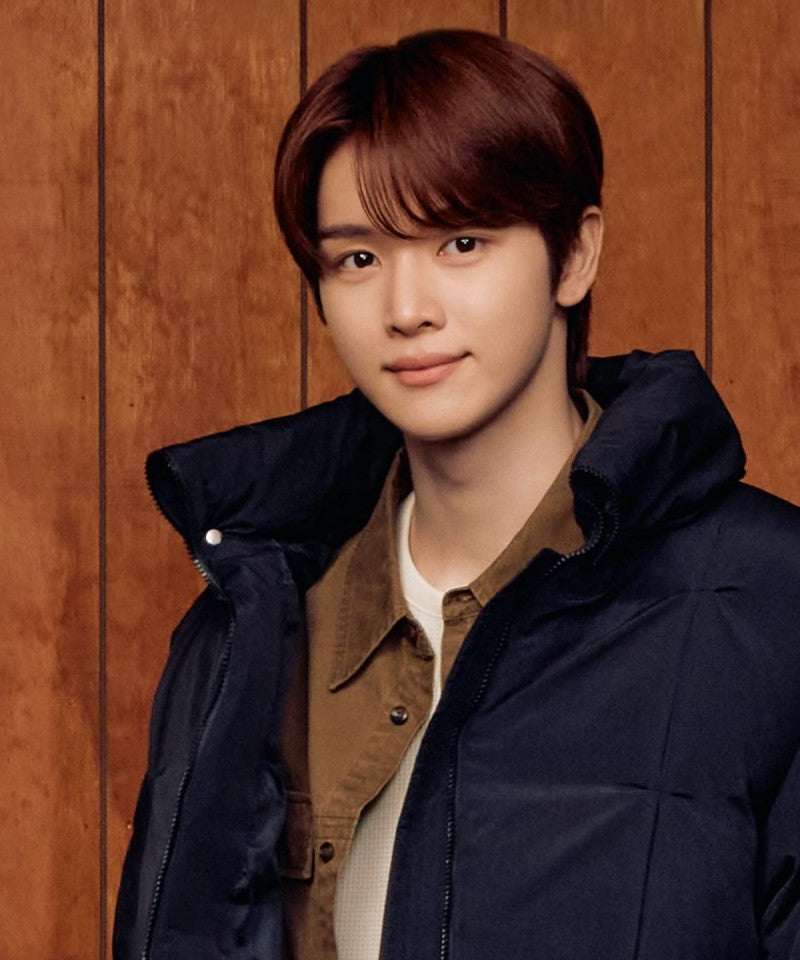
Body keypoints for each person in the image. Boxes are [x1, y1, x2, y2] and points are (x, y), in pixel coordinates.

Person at [113, 29, 800, 960]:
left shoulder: (770, 601)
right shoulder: (248, 633)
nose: (406, 310)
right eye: (358, 260)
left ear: (574, 256)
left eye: (461, 242)